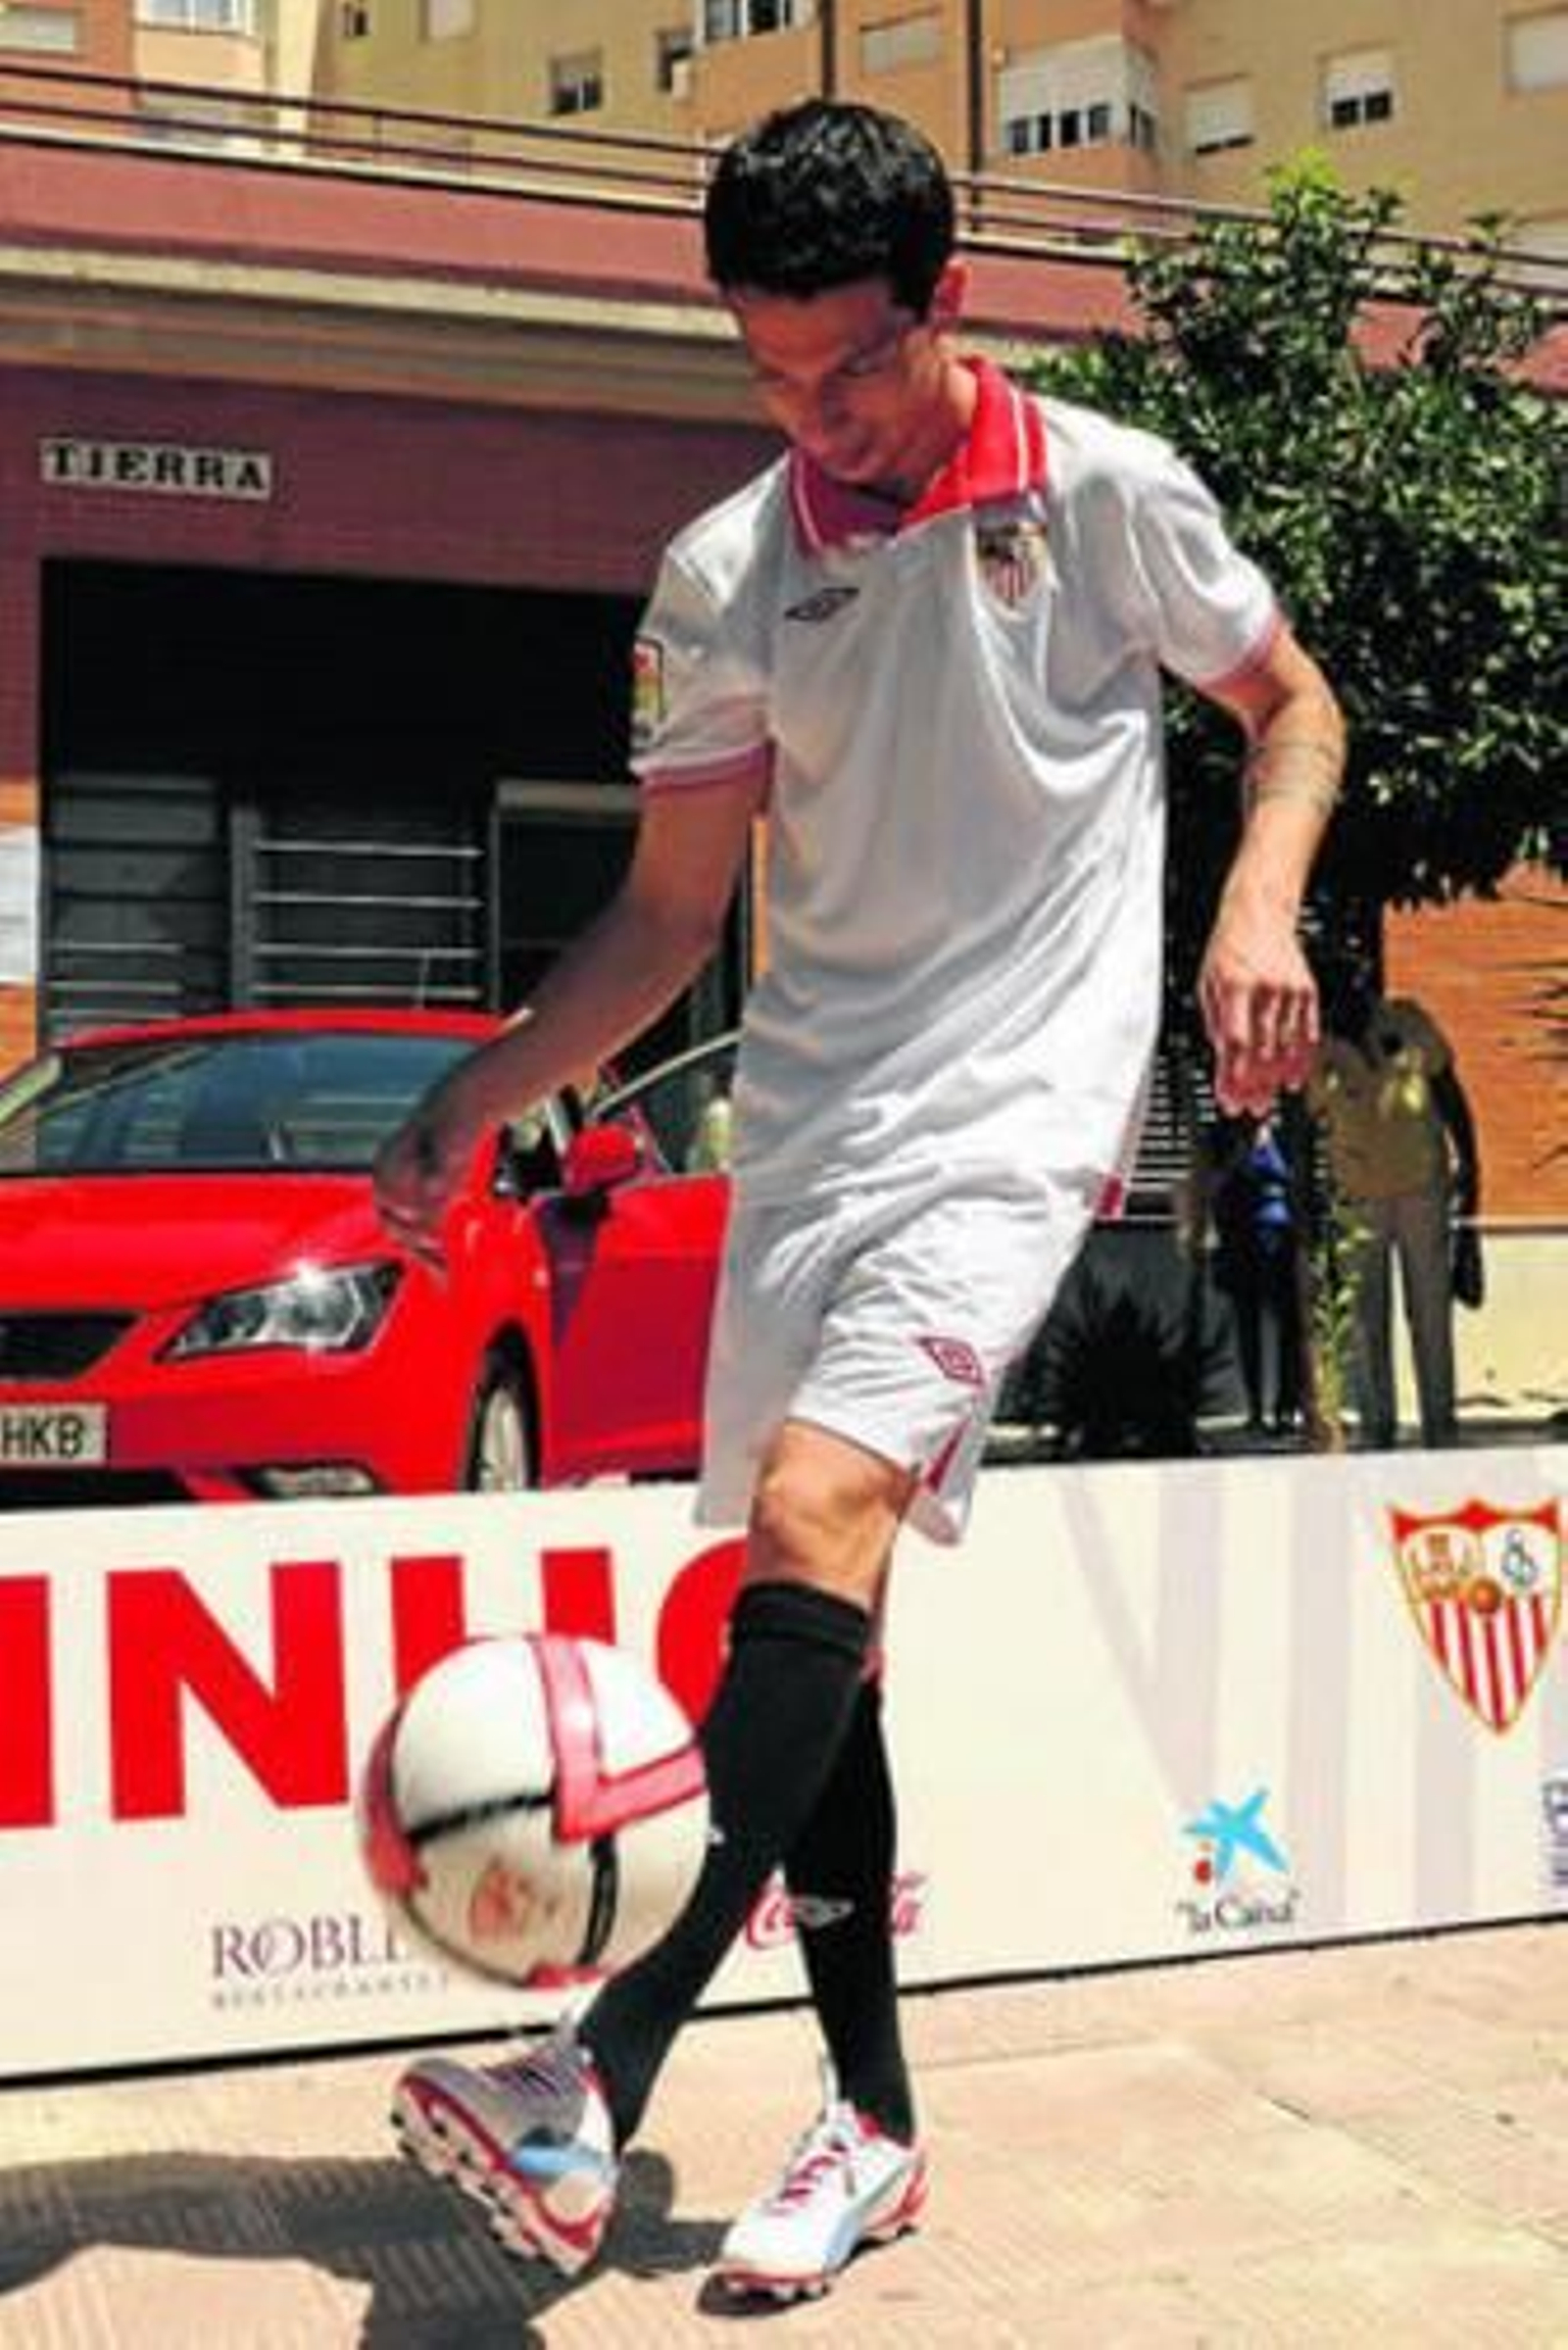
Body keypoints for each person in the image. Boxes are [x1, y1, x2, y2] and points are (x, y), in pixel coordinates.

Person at [372, 99, 1344, 2300]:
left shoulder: (1103, 500)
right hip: (811, 1128)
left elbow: (1293, 708)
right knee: (812, 1632)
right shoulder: (726, 572)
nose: (813, 412)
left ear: (945, 305)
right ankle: (873, 2124)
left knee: (813, 1525)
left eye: (848, 366)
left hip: (1016, 1111)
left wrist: (1254, 905)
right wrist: (482, 1095)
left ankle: (586, 2072)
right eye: (764, 369)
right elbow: (663, 911)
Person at [1307, 978, 1479, 1448]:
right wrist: (1310, 1205)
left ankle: (1440, 1429)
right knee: (1366, 1319)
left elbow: (1450, 1093)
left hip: (1422, 1189)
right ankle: (1376, 1430)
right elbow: (1306, 1129)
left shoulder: (1408, 1021)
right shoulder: (1318, 1050)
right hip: (1360, 1199)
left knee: (1430, 1313)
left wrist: (1472, 1169)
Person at [1205, 1111, 1303, 1433]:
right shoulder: (1224, 1133)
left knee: (1288, 1325)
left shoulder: (1283, 1130)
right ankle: (1256, 1409)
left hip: (1281, 1237)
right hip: (1241, 1236)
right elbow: (1213, 1184)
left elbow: (1296, 1181)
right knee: (1247, 1322)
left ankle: (1286, 1407)